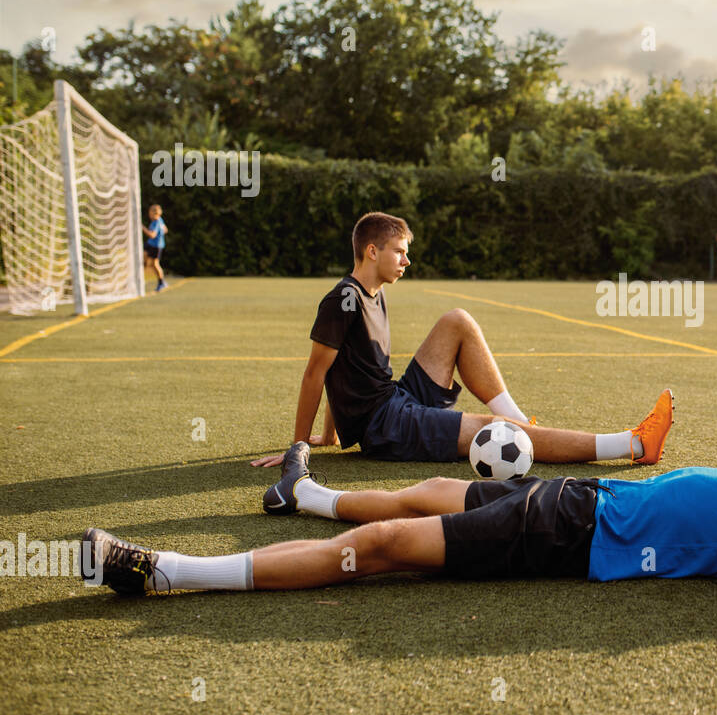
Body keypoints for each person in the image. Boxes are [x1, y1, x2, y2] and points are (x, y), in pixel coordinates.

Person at [82, 464, 717, 673]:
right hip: (571, 498)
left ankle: (168, 572)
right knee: (422, 490)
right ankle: (307, 497)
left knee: (374, 556)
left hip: (565, 542)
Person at [251, 212, 674, 502]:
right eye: (399, 251)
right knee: (495, 431)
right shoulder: (343, 299)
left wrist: (334, 433)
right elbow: (315, 374)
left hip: (394, 399)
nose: (407, 260)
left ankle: (521, 421)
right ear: (372, 251)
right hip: (386, 425)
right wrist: (300, 446)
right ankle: (633, 444)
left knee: (457, 321)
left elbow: (343, 372)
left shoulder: (371, 294)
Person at [142, 204, 168, 292]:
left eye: (150, 212)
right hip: (150, 244)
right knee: (143, 260)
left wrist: (142, 227)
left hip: (156, 246)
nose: (149, 214)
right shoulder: (160, 220)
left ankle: (161, 282)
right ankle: (141, 278)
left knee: (155, 264)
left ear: (155, 213)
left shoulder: (157, 222)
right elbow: (165, 229)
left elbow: (152, 235)